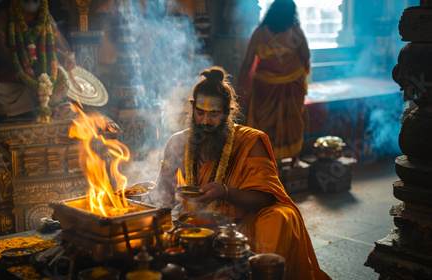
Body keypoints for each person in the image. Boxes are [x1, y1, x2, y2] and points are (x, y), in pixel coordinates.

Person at [137, 66, 329, 279]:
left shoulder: (250, 141)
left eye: (214, 114)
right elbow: (163, 193)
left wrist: (225, 192)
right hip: (192, 222)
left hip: (241, 222)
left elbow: (266, 198)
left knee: (280, 217)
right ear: (192, 108)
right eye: (200, 112)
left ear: (228, 112)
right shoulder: (177, 142)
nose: (206, 121)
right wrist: (140, 198)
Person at [237, 0, 310, 168]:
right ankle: (294, 159)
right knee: (292, 121)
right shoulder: (295, 33)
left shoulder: (259, 33)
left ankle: (266, 161)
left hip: (264, 88)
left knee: (263, 124)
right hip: (292, 87)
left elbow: (247, 63)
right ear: (292, 14)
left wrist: (240, 87)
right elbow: (305, 56)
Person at [0, 0, 76, 121]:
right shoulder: (5, 16)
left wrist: (53, 25)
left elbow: (66, 51)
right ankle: (50, 107)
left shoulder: (46, 18)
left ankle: (37, 108)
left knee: (62, 77)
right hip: (19, 82)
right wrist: (26, 76)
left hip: (45, 81)